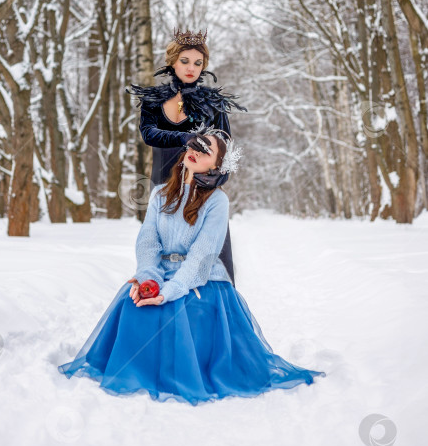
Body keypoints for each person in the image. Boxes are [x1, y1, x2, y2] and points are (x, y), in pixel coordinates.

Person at [57, 128, 326, 405]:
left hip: (202, 279)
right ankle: (137, 368)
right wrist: (148, 279)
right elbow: (148, 242)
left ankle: (185, 372)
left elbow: (204, 253)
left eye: (206, 150)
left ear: (217, 165)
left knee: (181, 310)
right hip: (162, 273)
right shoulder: (160, 194)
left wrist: (172, 289)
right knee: (133, 302)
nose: (195, 151)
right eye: (194, 145)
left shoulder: (217, 201)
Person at [125, 27, 247, 287]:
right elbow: (149, 134)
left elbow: (225, 147)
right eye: (185, 61)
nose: (191, 68)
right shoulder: (154, 100)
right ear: (172, 61)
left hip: (201, 188)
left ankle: (215, 308)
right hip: (164, 184)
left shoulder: (214, 104)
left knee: (207, 256)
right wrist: (183, 138)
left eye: (198, 63)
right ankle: (157, 292)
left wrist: (214, 180)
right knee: (161, 249)